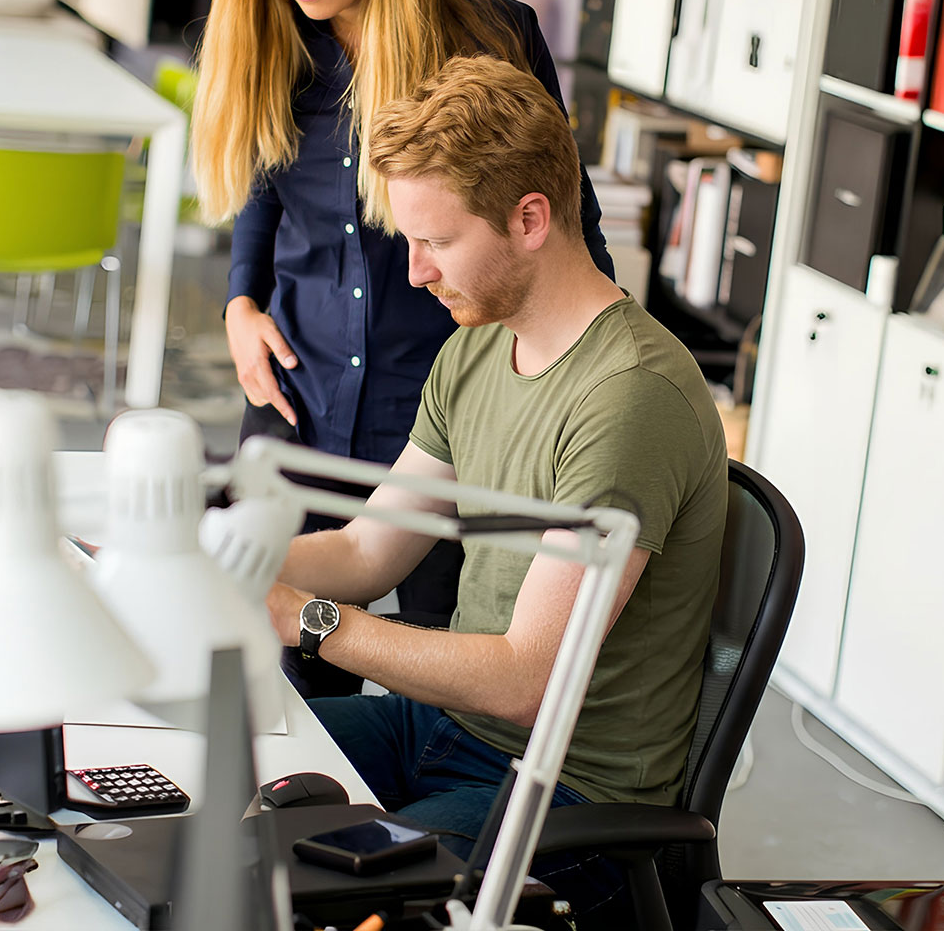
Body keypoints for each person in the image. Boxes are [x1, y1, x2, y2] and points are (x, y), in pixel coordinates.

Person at [264, 55, 728, 920]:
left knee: (319, 895)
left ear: (529, 219)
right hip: (445, 729)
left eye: (437, 242)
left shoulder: (630, 398)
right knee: (219, 777)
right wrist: (233, 557)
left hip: (565, 789)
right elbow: (370, 550)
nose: (415, 272)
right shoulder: (477, 343)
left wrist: (306, 619)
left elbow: (527, 681)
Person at [191, 0, 613, 684]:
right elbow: (266, 181)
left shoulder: (490, 38)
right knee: (280, 665)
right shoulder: (274, 35)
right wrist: (239, 301)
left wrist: (589, 386)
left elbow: (565, 224)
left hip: (439, 408)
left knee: (444, 668)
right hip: (296, 389)